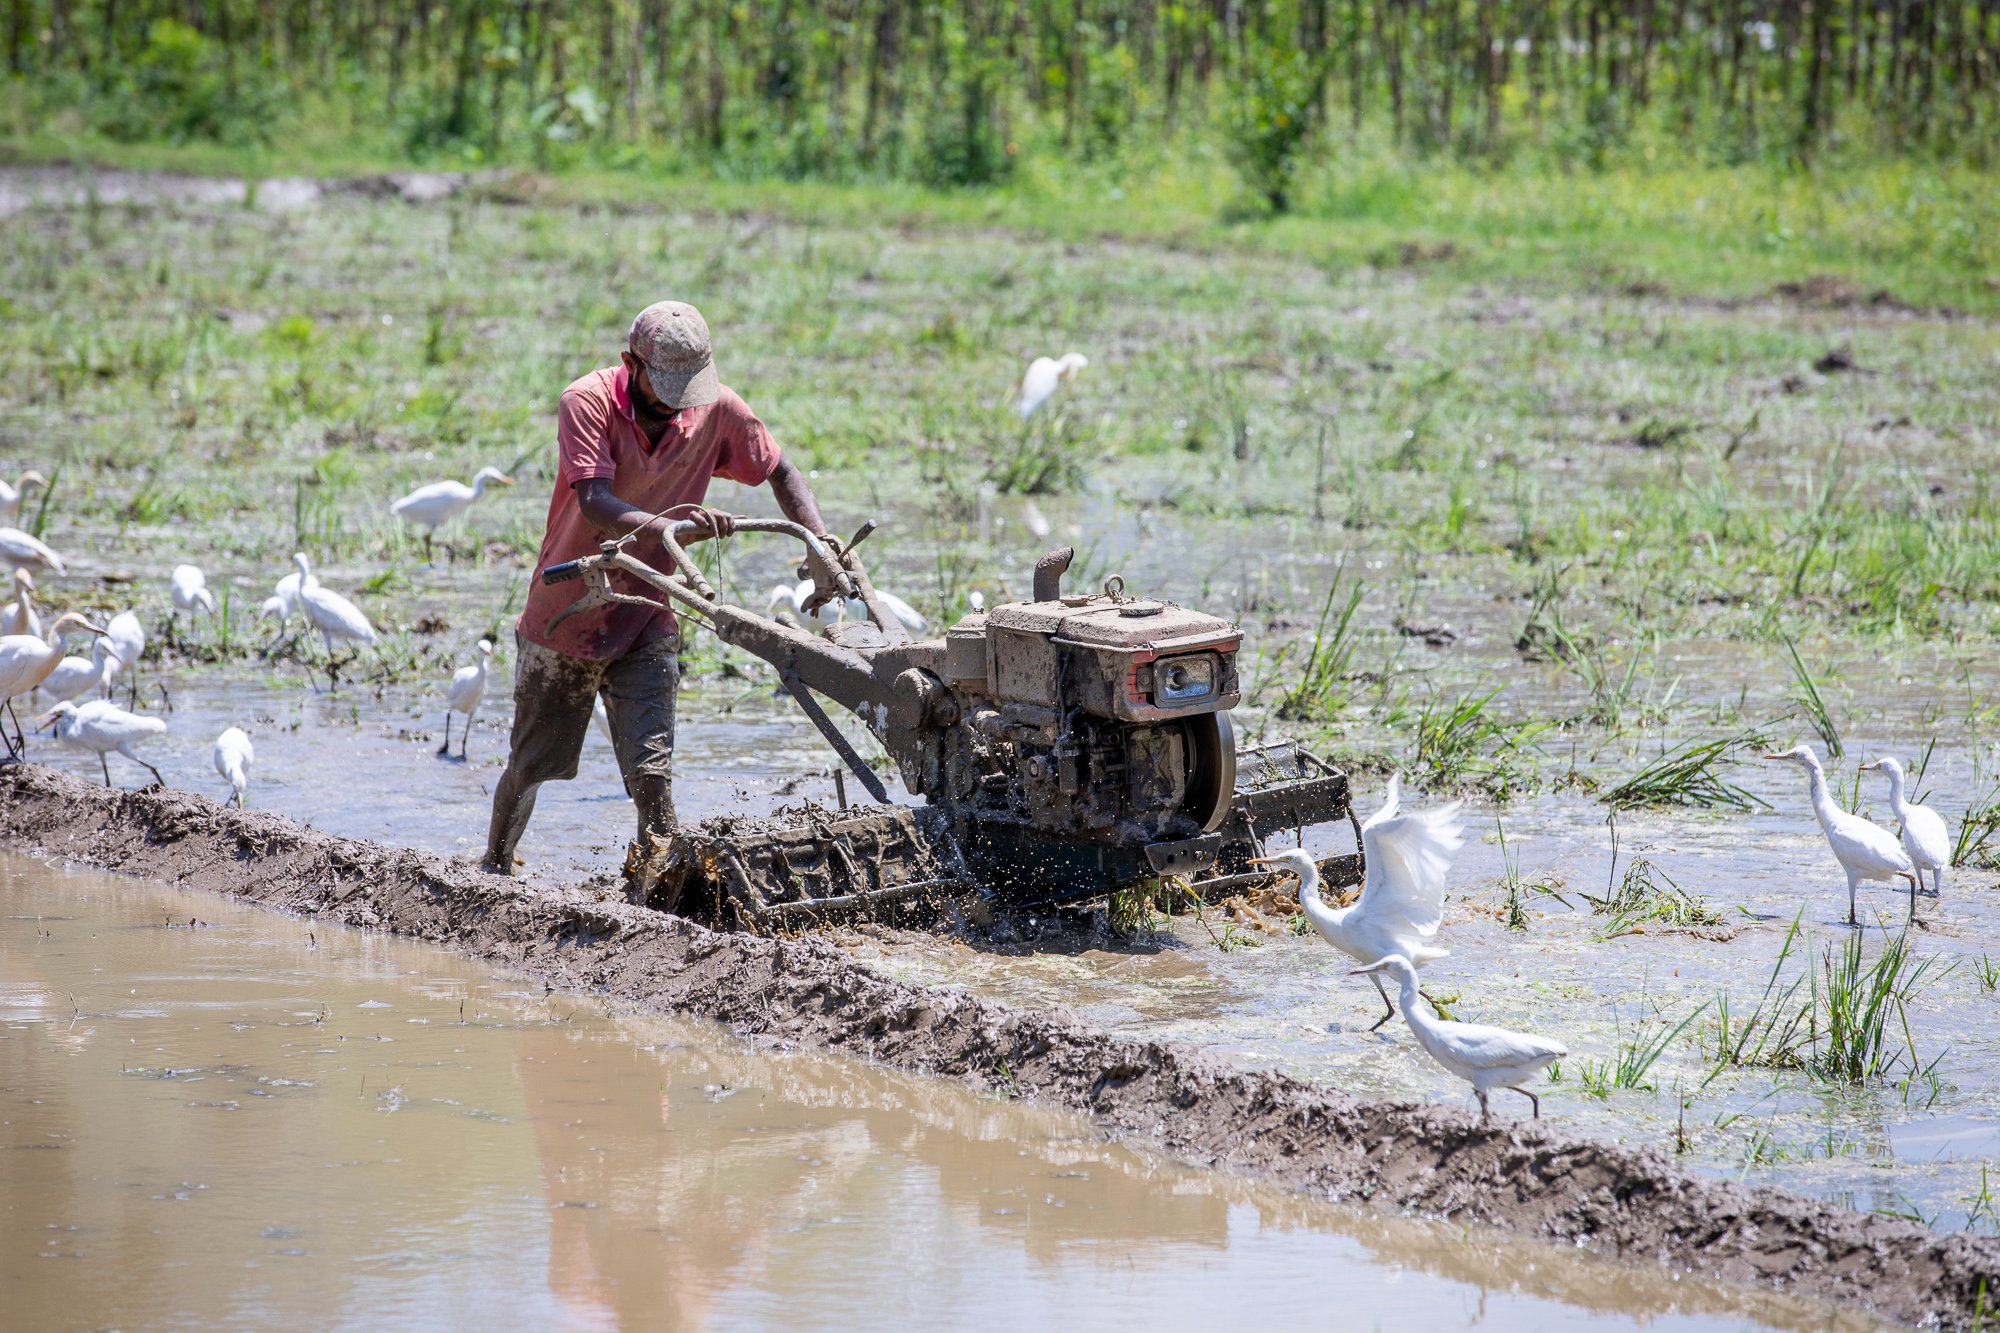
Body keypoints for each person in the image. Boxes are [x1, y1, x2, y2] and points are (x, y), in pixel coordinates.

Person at [483, 300, 832, 900]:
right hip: (569, 606)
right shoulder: (586, 402)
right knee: (533, 764)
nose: (676, 403)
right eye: (664, 388)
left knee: (652, 774)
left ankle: (658, 900)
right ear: (632, 364)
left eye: (686, 391)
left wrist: (820, 542)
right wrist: (671, 527)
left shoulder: (714, 408)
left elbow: (780, 469)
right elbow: (594, 500)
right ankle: (494, 866)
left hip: (646, 611)